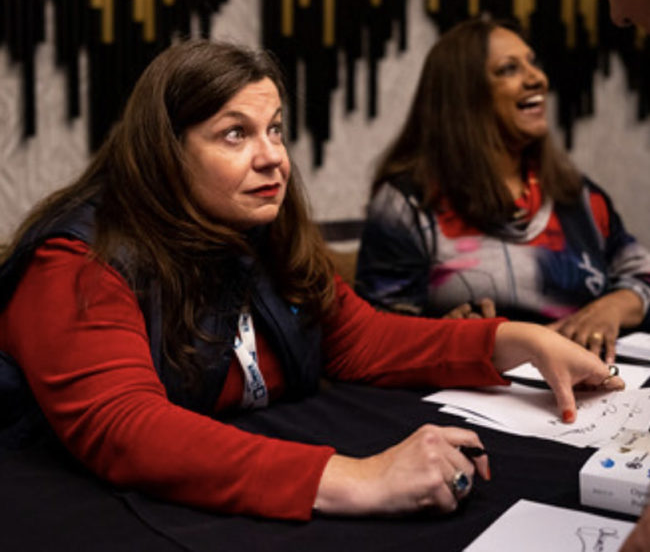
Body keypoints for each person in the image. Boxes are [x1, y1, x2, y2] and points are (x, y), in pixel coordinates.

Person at [0, 39, 624, 522]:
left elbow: (361, 339)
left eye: (274, 129)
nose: (272, 155)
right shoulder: (78, 259)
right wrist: (356, 479)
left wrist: (515, 343)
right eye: (235, 133)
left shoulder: (258, 229)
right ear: (165, 152)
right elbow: (127, 429)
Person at [355, 17, 650, 365]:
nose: (537, 77)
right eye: (509, 69)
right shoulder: (408, 202)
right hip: (476, 397)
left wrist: (610, 308)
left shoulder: (579, 195)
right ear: (464, 94)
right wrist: (449, 335)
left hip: (591, 387)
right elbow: (376, 335)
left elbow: (640, 272)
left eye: (532, 63)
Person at [573, 0, 650, 551]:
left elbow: (639, 265)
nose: (618, 12)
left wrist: (621, 299)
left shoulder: (577, 195)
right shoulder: (414, 203)